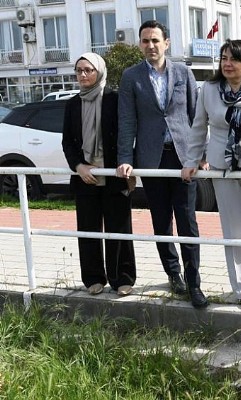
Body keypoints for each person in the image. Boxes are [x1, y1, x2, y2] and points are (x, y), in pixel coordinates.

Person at [116, 20, 208, 309]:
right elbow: (127, 121)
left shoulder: (183, 72)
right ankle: (173, 273)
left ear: (166, 43)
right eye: (145, 41)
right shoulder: (131, 77)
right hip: (151, 158)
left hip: (183, 158)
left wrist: (201, 154)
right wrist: (125, 160)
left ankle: (194, 282)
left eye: (155, 40)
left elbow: (197, 115)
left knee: (187, 221)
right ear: (140, 44)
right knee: (161, 222)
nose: (150, 45)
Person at [182, 40, 241, 308]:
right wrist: (192, 160)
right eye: (223, 58)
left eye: (233, 59)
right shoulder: (210, 89)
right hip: (222, 167)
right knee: (234, 229)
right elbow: (199, 127)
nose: (227, 63)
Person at [62, 52, 136, 296]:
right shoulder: (73, 104)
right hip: (86, 178)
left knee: (119, 229)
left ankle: (122, 278)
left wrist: (128, 166)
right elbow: (67, 143)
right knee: (88, 229)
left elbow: (126, 134)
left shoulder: (114, 100)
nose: (83, 75)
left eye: (88, 70)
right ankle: (93, 278)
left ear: (99, 71)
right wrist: (79, 166)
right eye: (79, 70)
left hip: (114, 175)